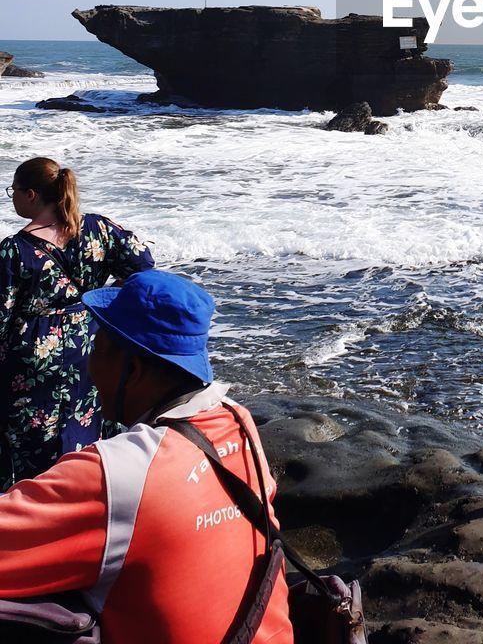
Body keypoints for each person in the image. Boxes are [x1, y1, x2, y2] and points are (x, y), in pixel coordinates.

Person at [0, 269, 294, 643]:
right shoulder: (239, 421)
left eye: (96, 347)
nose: (89, 368)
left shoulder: (118, 475)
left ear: (133, 370)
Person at [1, 156, 155, 489]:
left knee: (33, 461)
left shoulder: (15, 251)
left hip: (33, 367)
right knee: (87, 440)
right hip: (94, 349)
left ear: (30, 195)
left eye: (13, 189)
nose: (10, 196)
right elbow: (143, 266)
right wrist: (104, 302)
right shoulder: (98, 229)